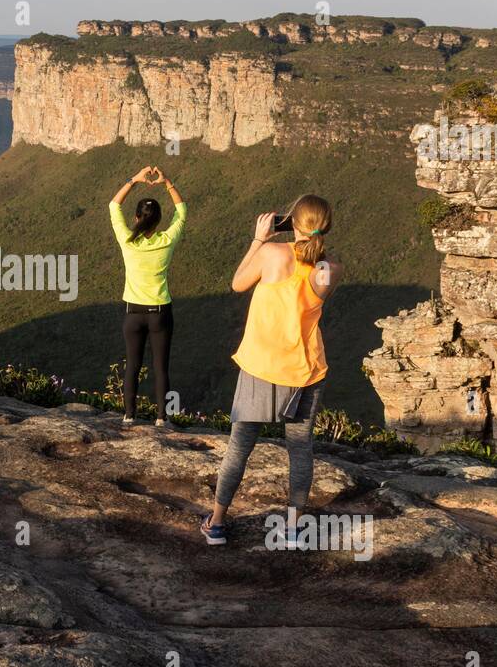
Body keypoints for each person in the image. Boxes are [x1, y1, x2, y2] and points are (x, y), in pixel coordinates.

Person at [201, 194, 343, 548]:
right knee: (300, 449)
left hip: (261, 366)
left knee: (239, 448)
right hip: (306, 371)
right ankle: (295, 529)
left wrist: (260, 239)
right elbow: (309, 272)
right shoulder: (331, 269)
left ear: (291, 222)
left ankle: (217, 523)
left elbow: (237, 283)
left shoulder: (271, 254)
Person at [109, 166, 186, 426]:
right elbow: (182, 212)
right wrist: (167, 183)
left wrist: (134, 180)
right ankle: (162, 419)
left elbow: (113, 206)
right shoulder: (167, 240)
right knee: (160, 367)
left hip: (133, 313)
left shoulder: (127, 241)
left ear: (136, 218)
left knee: (132, 365)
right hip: (160, 313)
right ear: (159, 221)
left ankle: (129, 416)